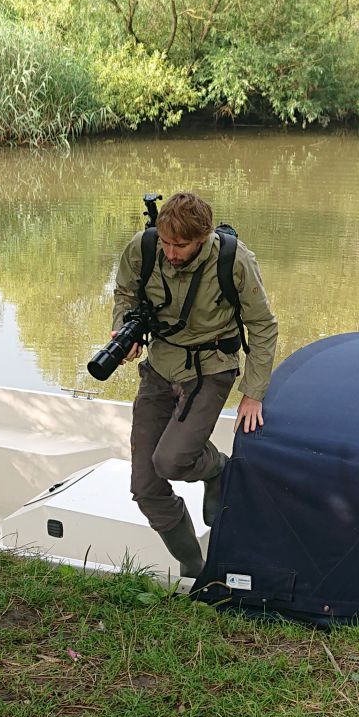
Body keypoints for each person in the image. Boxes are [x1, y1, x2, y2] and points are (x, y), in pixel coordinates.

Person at [110, 191, 278, 578]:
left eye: (180, 245)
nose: (170, 252)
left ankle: (217, 468)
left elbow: (264, 325)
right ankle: (196, 566)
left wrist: (253, 394)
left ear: (202, 237)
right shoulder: (145, 247)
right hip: (159, 367)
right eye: (166, 242)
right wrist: (124, 328)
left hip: (210, 368)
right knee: (146, 486)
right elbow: (124, 292)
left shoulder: (234, 260)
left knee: (171, 460)